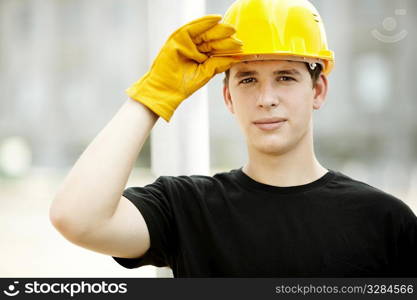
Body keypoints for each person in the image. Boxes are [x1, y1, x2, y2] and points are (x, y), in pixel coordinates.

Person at [49, 0, 417, 277]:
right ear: (228, 97)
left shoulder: (385, 221)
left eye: (286, 77)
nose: (266, 97)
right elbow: (77, 217)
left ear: (318, 89)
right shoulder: (188, 208)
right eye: (247, 79)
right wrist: (152, 96)